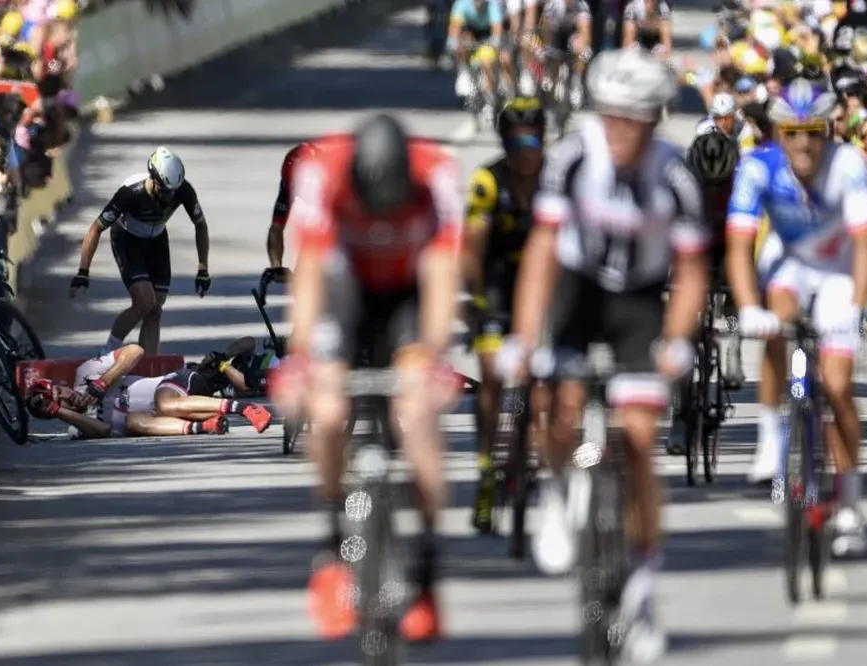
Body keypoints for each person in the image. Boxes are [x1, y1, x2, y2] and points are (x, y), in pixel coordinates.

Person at [500, 49, 708, 661]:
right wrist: (522, 336)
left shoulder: (675, 174)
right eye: (611, 117)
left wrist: (675, 341)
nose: (620, 131)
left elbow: (693, 271)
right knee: (555, 402)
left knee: (640, 441)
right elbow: (540, 251)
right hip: (576, 287)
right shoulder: (571, 158)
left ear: (654, 120)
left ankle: (642, 595)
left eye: (635, 120)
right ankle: (557, 494)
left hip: (640, 301)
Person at [272, 113, 463, 644]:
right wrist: (302, 357)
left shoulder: (437, 176)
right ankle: (333, 548)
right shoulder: (324, 172)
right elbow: (310, 271)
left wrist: (435, 357)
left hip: (407, 293)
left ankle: (425, 565)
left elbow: (444, 276)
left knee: (417, 415)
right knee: (330, 411)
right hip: (347, 288)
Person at [726, 79, 867, 554]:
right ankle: (772, 436)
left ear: (828, 131)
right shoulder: (756, 167)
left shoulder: (848, 165)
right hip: (788, 258)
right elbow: (738, 246)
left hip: (835, 268)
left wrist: (854, 308)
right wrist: (749, 308)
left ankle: (849, 506)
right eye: (792, 133)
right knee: (776, 315)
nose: (804, 144)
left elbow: (866, 245)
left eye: (814, 132)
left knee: (836, 384)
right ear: (778, 134)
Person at [461, 96, 545, 533]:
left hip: (542, 285)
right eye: (514, 143)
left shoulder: (557, 179)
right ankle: (486, 473)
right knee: (493, 377)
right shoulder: (488, 182)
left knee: (546, 379)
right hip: (496, 286)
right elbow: (471, 249)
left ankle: (531, 454)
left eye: (532, 141)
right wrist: (473, 300)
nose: (524, 152)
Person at [68, 147, 211, 356]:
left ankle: (148, 369)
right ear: (153, 179)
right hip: (127, 240)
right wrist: (83, 270)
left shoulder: (183, 190)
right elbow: (96, 228)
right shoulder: (130, 193)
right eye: (164, 190)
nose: (169, 196)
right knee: (144, 302)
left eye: (173, 191)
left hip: (157, 240)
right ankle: (106, 353)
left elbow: (201, 225)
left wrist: (203, 268)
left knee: (155, 311)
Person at [665, 130, 742, 456]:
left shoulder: (741, 187)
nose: (712, 190)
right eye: (705, 184)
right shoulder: (678, 188)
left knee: (738, 286)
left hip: (728, 249)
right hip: (690, 252)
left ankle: (734, 345)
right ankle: (680, 418)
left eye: (719, 184)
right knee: (683, 337)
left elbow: (747, 245)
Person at [25, 343, 273, 437]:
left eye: (60, 391)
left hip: (177, 382)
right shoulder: (77, 426)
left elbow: (135, 351)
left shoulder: (85, 373)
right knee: (132, 422)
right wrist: (61, 412)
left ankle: (245, 408)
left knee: (164, 403)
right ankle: (203, 426)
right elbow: (102, 430)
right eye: (60, 402)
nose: (67, 396)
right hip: (172, 416)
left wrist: (103, 382)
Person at [264, 142, 316, 282]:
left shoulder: (328, 182)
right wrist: (276, 267)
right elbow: (276, 227)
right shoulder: (288, 185)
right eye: (293, 186)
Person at [447, 0, 506, 101]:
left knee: (488, 61)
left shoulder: (493, 4)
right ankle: (464, 71)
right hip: (469, 33)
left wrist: (495, 43)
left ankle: (491, 95)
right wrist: (453, 42)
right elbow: (455, 27)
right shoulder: (461, 3)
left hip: (487, 35)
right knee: (461, 42)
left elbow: (497, 29)